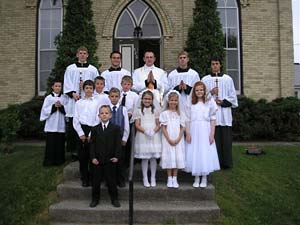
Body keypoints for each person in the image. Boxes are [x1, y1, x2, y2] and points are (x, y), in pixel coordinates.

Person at [63, 46, 99, 161]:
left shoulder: (93, 69)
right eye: (80, 53)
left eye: (84, 53)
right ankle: (75, 152)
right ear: (77, 55)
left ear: (87, 55)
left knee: (88, 124)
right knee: (75, 126)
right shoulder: (70, 68)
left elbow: (96, 84)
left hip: (88, 101)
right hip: (74, 101)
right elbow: (67, 83)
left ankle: (90, 151)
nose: (82, 55)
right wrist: (72, 93)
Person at [201, 57, 238, 169]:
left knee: (225, 140)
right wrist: (211, 92)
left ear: (220, 65)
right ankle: (213, 163)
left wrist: (223, 102)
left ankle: (226, 163)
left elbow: (233, 97)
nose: (215, 66)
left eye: (217, 64)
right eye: (213, 64)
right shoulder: (205, 80)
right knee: (213, 139)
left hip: (224, 115)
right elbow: (200, 97)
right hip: (211, 115)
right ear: (210, 66)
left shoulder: (228, 79)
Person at [185, 81, 220, 188]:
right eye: (197, 90)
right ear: (194, 92)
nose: (199, 92)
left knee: (204, 152)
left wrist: (212, 134)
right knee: (195, 152)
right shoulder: (190, 102)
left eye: (201, 90)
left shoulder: (209, 102)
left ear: (204, 91)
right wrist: (188, 133)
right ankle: (196, 177)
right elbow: (187, 119)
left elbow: (213, 119)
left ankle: (204, 177)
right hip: (194, 130)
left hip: (205, 130)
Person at [89, 105, 122, 208]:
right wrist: (93, 157)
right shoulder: (95, 129)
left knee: (111, 180)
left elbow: (118, 144)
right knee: (96, 181)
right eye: (102, 113)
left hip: (110, 160)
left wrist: (117, 156)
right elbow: (92, 145)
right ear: (99, 115)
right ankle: (95, 199)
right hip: (97, 160)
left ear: (110, 115)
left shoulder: (115, 128)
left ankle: (114, 199)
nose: (104, 115)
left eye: (106, 113)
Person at [73, 80, 99, 187]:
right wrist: (81, 134)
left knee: (92, 155)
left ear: (93, 90)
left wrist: (90, 134)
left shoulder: (97, 103)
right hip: (81, 129)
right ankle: (84, 178)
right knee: (83, 157)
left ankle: (93, 177)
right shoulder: (79, 103)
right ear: (83, 89)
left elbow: (98, 118)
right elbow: (75, 119)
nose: (88, 90)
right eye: (86, 88)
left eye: (90, 88)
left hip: (93, 129)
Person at [134, 91, 161, 188]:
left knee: (153, 158)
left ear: (152, 100)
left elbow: (159, 124)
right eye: (145, 99)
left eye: (149, 99)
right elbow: (137, 125)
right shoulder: (138, 111)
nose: (147, 100)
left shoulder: (156, 111)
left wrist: (154, 131)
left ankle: (153, 177)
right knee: (145, 158)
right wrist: (145, 131)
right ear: (142, 99)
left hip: (154, 134)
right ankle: (145, 178)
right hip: (143, 134)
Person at [159, 90, 185, 188]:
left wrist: (178, 138)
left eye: (175, 100)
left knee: (176, 157)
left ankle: (175, 178)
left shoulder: (180, 113)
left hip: (178, 138)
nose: (173, 102)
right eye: (171, 100)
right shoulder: (165, 113)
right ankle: (169, 178)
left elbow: (183, 127)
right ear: (168, 101)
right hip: (168, 138)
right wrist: (169, 139)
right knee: (169, 157)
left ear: (178, 101)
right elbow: (163, 128)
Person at [40, 80, 67, 166]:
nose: (58, 88)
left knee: (60, 144)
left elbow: (67, 110)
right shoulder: (48, 98)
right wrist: (54, 106)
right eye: (56, 86)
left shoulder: (64, 98)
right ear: (52, 87)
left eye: (59, 86)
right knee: (51, 144)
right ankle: (49, 161)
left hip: (60, 124)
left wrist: (61, 107)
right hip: (51, 124)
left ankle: (59, 160)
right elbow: (44, 110)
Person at [108, 87, 130, 187]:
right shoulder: (106, 109)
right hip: (108, 139)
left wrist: (125, 138)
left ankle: (121, 179)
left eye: (116, 96)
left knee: (120, 160)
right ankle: (110, 180)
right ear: (109, 97)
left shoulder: (123, 109)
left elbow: (126, 125)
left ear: (119, 97)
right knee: (109, 159)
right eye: (112, 96)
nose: (114, 98)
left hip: (120, 138)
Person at [119, 75, 139, 168]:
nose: (126, 86)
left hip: (130, 122)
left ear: (131, 85)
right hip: (119, 123)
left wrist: (131, 116)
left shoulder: (134, 96)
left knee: (129, 142)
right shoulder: (118, 94)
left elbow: (136, 108)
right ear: (121, 84)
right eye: (124, 84)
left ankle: (128, 163)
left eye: (128, 84)